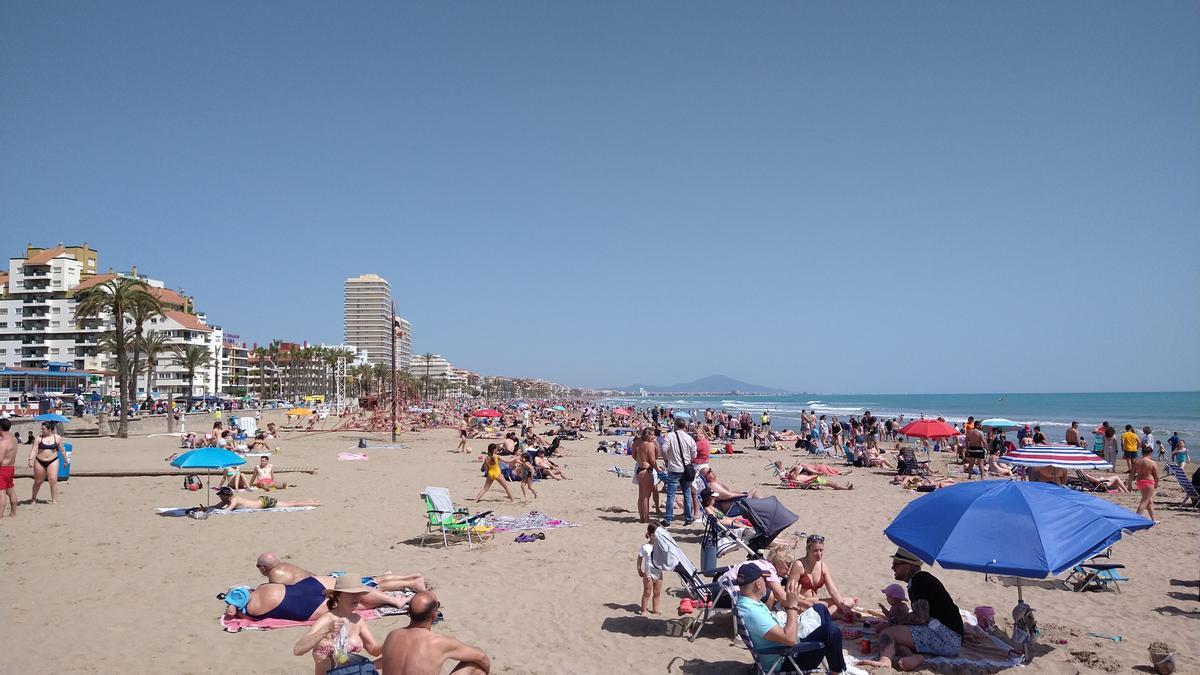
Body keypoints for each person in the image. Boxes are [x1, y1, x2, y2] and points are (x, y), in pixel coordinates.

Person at [733, 563, 847, 673]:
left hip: (784, 648)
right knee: (831, 631)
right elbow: (791, 639)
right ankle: (836, 670)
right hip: (785, 659)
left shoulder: (747, 603)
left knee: (820, 609)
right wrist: (792, 606)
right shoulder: (752, 612)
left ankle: (836, 661)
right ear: (758, 584)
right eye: (764, 580)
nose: (766, 583)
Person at [860, 548, 962, 671]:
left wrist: (895, 621)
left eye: (895, 564)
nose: (892, 568)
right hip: (949, 637)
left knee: (888, 633)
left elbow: (921, 617)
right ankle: (912, 657)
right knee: (895, 641)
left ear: (907, 566)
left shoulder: (919, 580)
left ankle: (885, 661)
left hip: (946, 636)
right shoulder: (921, 579)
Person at [381, 591, 490, 675]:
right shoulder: (438, 642)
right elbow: (482, 657)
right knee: (476, 666)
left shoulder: (392, 635)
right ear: (434, 616)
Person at [293, 577, 383, 675]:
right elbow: (298, 650)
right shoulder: (327, 619)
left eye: (359, 593)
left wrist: (391, 643)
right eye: (351, 593)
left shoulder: (358, 620)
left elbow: (374, 650)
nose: (356, 597)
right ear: (338, 596)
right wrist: (327, 629)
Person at [774, 535, 859, 619]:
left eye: (821, 550)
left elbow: (833, 591)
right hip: (802, 603)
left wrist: (844, 608)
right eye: (815, 551)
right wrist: (805, 600)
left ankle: (829, 615)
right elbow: (790, 590)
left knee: (849, 601)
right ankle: (830, 615)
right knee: (826, 607)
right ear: (807, 549)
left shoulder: (823, 566)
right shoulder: (799, 565)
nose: (819, 554)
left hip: (816, 602)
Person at [256, 552, 428, 593]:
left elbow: (277, 596)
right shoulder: (284, 565)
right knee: (372, 579)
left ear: (264, 568)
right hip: (326, 578)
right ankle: (411, 577)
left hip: (325, 585)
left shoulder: (275, 576)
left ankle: (411, 583)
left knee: (373, 586)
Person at [660, 418, 697, 527]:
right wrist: (688, 462)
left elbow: (664, 449)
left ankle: (668, 519)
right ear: (684, 426)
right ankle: (688, 517)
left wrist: (666, 461)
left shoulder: (670, 436)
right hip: (685, 468)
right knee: (686, 493)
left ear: (675, 425)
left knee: (671, 495)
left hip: (674, 468)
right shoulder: (689, 438)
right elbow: (694, 454)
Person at [29, 421, 62, 504]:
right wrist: (30, 459)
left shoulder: (57, 438)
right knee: (38, 481)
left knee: (53, 480)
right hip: (40, 461)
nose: (41, 430)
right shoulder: (39, 438)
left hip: (53, 460)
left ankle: (54, 499)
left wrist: (65, 460)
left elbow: (62, 450)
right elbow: (34, 449)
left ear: (49, 429)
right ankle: (33, 498)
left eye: (43, 429)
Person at [632, 428, 660, 523]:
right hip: (646, 470)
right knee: (646, 496)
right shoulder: (649, 445)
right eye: (651, 435)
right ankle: (647, 518)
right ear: (647, 435)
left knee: (641, 496)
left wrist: (640, 461)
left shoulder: (638, 444)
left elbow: (633, 455)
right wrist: (657, 469)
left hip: (639, 469)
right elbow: (652, 460)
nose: (653, 436)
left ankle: (641, 518)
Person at [213, 485, 319, 510]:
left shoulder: (234, 500)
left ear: (225, 495)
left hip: (264, 502)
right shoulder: (227, 500)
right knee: (288, 503)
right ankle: (309, 501)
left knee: (291, 505)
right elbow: (217, 506)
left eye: (220, 495)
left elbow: (228, 510)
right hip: (261, 500)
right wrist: (205, 509)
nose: (219, 497)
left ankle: (314, 503)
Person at [637, 523, 663, 615]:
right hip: (649, 573)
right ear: (652, 535)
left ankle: (655, 609)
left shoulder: (660, 547)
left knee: (657, 592)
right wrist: (639, 569)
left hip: (659, 573)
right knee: (647, 592)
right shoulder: (645, 547)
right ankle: (644, 609)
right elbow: (640, 557)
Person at [1132, 444, 1160, 523]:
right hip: (1148, 482)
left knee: (1149, 501)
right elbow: (1157, 476)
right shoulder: (1152, 463)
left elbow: (1132, 474)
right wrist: (1156, 483)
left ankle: (1153, 520)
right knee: (1145, 501)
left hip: (1139, 482)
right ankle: (1135, 519)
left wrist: (1130, 484)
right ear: (1150, 453)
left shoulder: (1136, 461)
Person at [0, 418, 17, 518]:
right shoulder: (14, 439)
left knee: (1, 493)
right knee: (10, 490)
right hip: (11, 468)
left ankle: (0, 514)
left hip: (2, 469)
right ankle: (13, 512)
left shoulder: (3, 443)